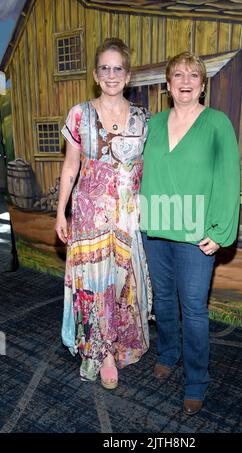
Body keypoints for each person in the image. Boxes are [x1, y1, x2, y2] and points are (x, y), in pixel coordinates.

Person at [140, 51, 240, 415]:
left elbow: (229, 178)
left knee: (194, 308)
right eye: (178, 75)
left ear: (202, 84)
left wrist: (221, 230)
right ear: (168, 85)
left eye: (193, 75)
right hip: (155, 225)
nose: (185, 81)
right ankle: (168, 352)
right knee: (163, 300)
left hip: (197, 233)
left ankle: (197, 380)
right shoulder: (152, 123)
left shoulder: (217, 123)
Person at [55, 38, 150, 389]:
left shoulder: (142, 119)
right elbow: (70, 166)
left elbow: (147, 168)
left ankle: (121, 340)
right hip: (88, 214)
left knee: (122, 282)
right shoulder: (79, 114)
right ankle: (103, 351)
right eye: (105, 68)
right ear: (96, 75)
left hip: (127, 216)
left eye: (118, 68)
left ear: (128, 75)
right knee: (94, 283)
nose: (112, 75)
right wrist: (60, 212)